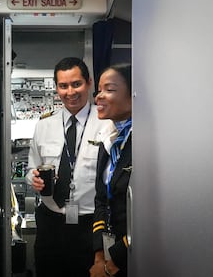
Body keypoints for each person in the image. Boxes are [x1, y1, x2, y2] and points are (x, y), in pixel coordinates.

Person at [25, 57, 116, 277]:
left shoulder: (107, 123)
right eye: (63, 86)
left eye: (76, 84)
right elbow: (31, 168)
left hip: (90, 224)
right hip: (51, 223)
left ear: (89, 83)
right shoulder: (44, 125)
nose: (70, 92)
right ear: (56, 88)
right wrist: (33, 179)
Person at [90, 63, 132, 277]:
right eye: (99, 90)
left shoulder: (148, 144)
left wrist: (112, 264)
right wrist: (100, 256)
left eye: (110, 89)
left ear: (134, 94)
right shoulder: (108, 139)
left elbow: (150, 217)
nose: (99, 96)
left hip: (136, 256)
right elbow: (101, 199)